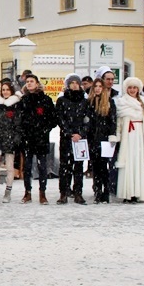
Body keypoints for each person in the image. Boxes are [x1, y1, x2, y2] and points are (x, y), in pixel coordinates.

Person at [16, 74, 58, 204]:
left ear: (37, 83)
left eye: (32, 81)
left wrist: (44, 129)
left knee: (42, 167)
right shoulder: (24, 100)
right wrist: (23, 131)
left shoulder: (45, 100)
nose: (29, 83)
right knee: (27, 167)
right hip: (27, 138)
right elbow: (18, 119)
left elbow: (53, 119)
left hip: (41, 138)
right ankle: (27, 192)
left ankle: (42, 193)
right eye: (27, 81)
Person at [115, 77, 144, 203]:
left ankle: (137, 192)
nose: (132, 90)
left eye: (134, 87)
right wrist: (117, 135)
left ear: (138, 89)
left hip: (140, 135)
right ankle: (127, 192)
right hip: (128, 135)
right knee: (128, 162)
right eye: (130, 87)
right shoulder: (122, 102)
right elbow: (119, 122)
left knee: (138, 161)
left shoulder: (143, 102)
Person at [56, 73, 88, 204]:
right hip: (66, 138)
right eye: (72, 83)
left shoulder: (85, 101)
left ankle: (78, 193)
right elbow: (60, 119)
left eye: (76, 83)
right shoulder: (62, 100)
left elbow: (87, 119)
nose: (74, 85)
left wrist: (80, 133)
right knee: (65, 166)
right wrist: (69, 133)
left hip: (80, 139)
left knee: (79, 167)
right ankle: (63, 192)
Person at [86, 78, 116, 204]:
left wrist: (112, 135)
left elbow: (112, 121)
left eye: (100, 86)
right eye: (96, 86)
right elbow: (87, 121)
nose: (98, 88)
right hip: (92, 139)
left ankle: (106, 192)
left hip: (105, 139)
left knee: (104, 167)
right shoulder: (89, 102)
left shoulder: (109, 102)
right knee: (95, 166)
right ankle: (97, 191)